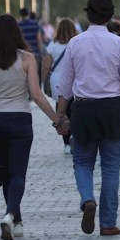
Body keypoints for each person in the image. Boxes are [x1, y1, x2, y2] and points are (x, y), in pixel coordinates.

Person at [56, 0, 120, 236]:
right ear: (110, 16)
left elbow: (64, 86)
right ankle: (108, 223)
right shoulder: (118, 44)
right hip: (113, 109)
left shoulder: (75, 43)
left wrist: (60, 115)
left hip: (83, 109)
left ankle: (87, 199)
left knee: (82, 161)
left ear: (88, 14)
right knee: (111, 168)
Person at [0, 14, 62, 240]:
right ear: (17, 33)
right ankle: (10, 214)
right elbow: (36, 95)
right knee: (18, 173)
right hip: (20, 119)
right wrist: (56, 119)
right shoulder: (26, 59)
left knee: (5, 173)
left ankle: (17, 222)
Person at [42, 18, 79, 155]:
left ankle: (66, 144)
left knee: (61, 109)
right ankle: (75, 135)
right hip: (75, 79)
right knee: (74, 109)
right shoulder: (77, 43)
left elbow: (47, 65)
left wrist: (43, 80)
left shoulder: (53, 45)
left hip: (57, 79)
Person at [17, 8, 44, 78]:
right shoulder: (35, 24)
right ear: (28, 14)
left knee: (24, 75)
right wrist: (41, 52)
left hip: (23, 53)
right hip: (35, 53)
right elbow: (39, 39)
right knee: (35, 74)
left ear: (21, 15)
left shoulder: (18, 25)